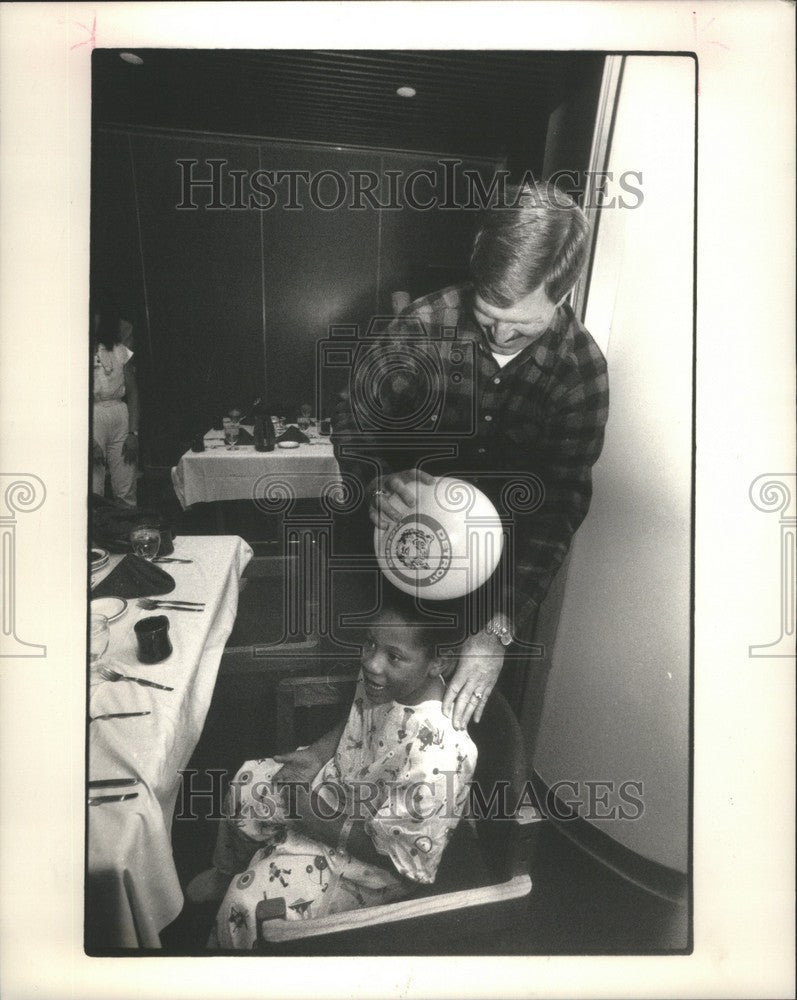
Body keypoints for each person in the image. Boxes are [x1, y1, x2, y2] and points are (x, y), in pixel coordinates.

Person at [332, 181, 609, 731]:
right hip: (395, 561)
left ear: (564, 292)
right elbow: (353, 420)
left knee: (459, 729)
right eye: (487, 316)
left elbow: (559, 507)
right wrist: (375, 485)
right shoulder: (421, 325)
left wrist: (498, 627)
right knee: (375, 703)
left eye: (524, 325)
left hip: (502, 582)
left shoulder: (580, 371)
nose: (502, 335)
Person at [187, 588, 477, 950]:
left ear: (439, 662)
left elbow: (399, 856)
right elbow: (356, 719)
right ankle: (226, 870)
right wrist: (319, 753)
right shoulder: (389, 682)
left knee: (244, 904)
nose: (372, 662)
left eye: (394, 656)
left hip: (368, 867)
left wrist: (309, 817)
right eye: (370, 643)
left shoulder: (440, 755)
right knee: (248, 780)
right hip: (339, 789)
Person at [91, 300, 139, 508]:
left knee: (125, 487)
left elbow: (134, 393)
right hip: (92, 416)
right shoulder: (73, 353)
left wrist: (133, 434)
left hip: (120, 414)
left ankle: (125, 536)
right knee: (94, 489)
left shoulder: (120, 350)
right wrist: (88, 441)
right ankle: (95, 540)